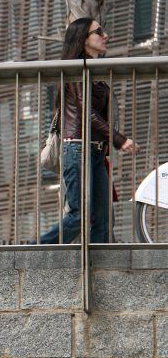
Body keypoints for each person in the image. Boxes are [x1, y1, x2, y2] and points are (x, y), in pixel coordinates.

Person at [39, 17, 139, 244]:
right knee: (79, 215)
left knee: (104, 219)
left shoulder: (93, 71)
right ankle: (33, 250)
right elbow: (86, 112)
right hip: (77, 149)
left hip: (95, 152)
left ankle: (98, 265)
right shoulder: (76, 69)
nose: (105, 36)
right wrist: (119, 140)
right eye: (99, 32)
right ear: (83, 38)